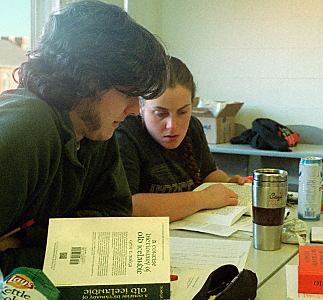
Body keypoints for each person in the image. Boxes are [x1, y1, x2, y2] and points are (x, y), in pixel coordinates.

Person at [0, 0, 168, 276]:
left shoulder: (94, 130)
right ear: (88, 79)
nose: (135, 110)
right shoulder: (26, 130)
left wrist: (23, 242)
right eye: (128, 94)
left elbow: (115, 220)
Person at [116, 56, 248, 222]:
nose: (172, 125)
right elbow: (130, 207)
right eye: (160, 114)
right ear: (140, 107)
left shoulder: (193, 126)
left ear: (192, 105)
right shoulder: (124, 135)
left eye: (183, 112)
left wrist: (228, 182)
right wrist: (204, 198)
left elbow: (208, 174)